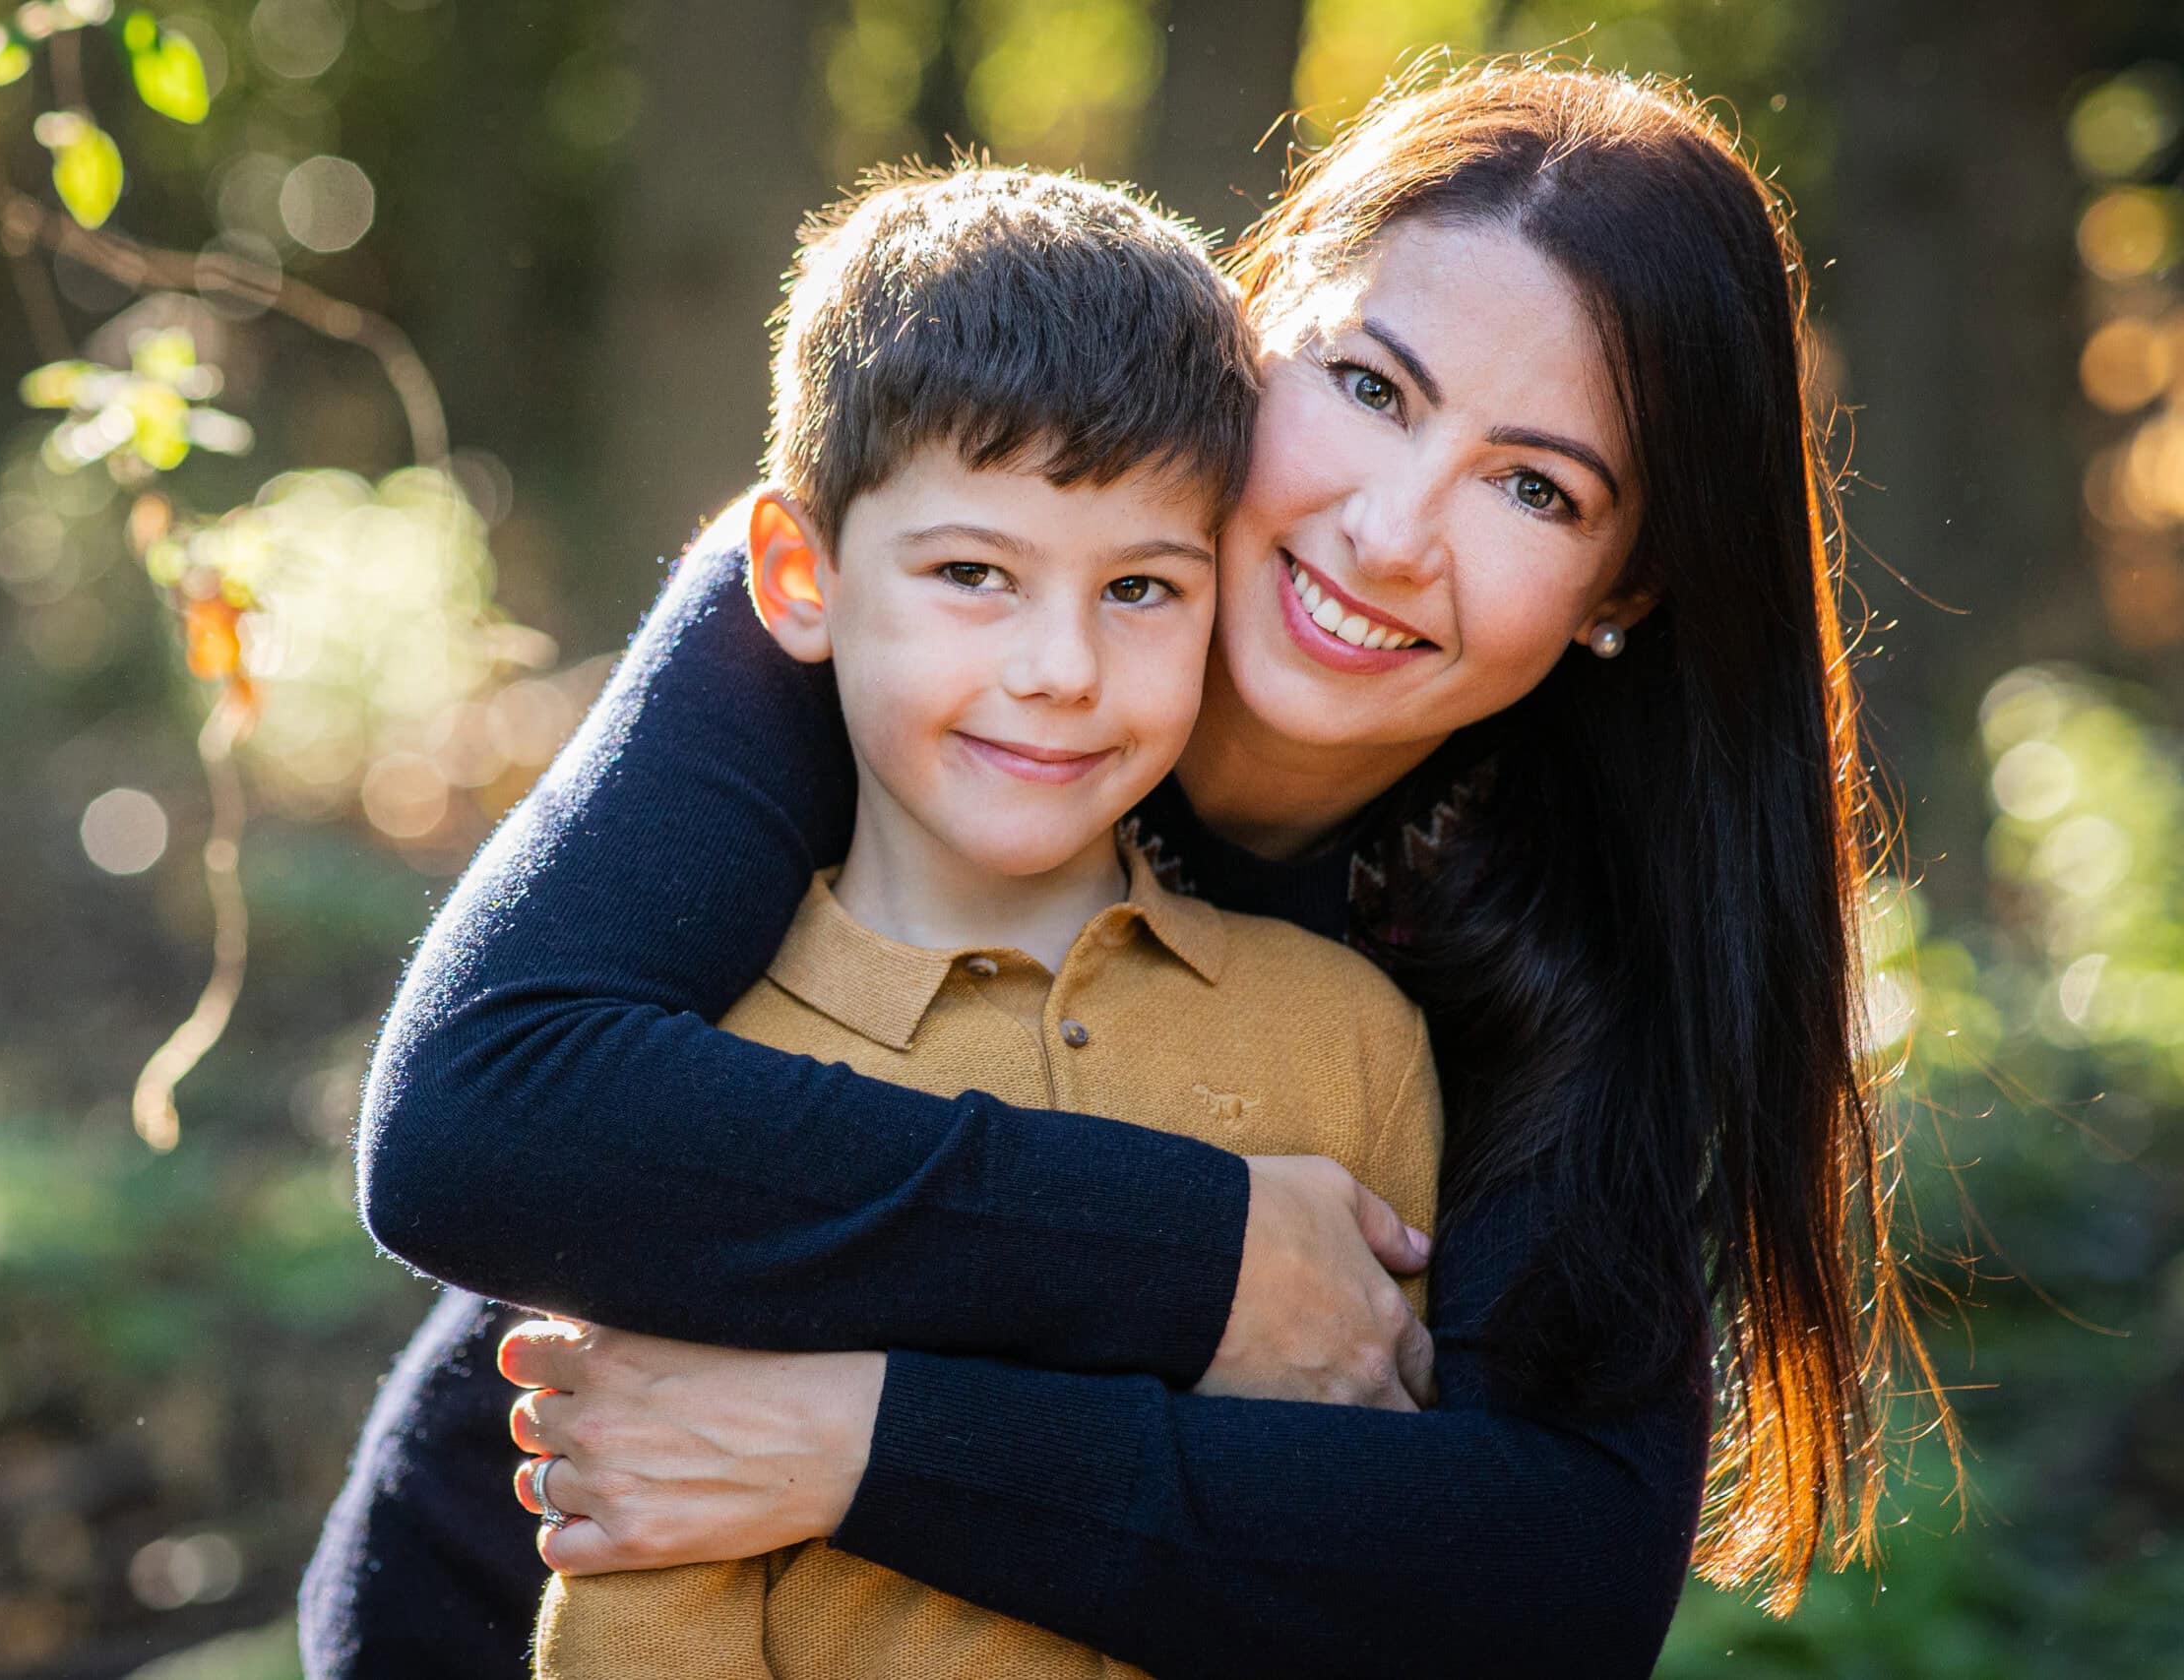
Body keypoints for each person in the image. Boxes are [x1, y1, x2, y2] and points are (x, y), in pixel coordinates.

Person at [301, 60, 1942, 1680]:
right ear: (1261, 334)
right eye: (1371, 387)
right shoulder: (905, 605)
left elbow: (1550, 1577)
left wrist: (868, 1439)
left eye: (1533, 485)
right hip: (514, 1585)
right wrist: (1203, 1259)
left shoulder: (1580, 919)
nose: (1389, 531)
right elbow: (479, 1118)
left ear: (1626, 590)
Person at [529, 162, 1441, 1680]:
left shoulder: (1348, 1041)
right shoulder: (701, 1111)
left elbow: (1404, 1563)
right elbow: (639, 1617)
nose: (1063, 667)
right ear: (800, 575)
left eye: (1143, 587)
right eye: (973, 575)